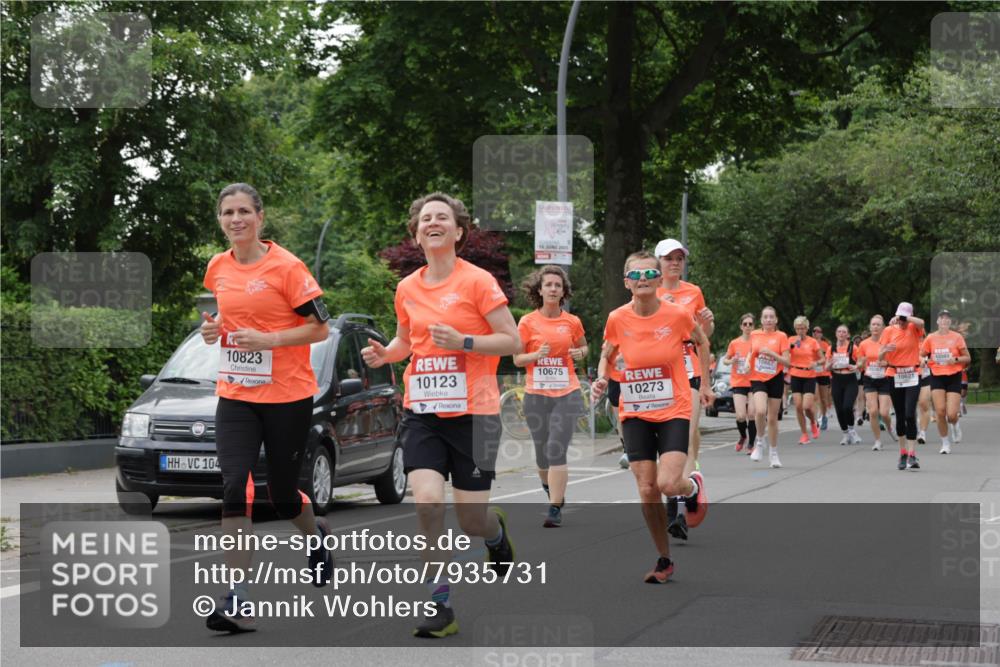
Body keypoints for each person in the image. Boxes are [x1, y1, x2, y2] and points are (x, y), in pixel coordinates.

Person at [361, 192, 520, 638]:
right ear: (416, 234)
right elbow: (405, 343)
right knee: (428, 503)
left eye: (442, 218)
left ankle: (494, 534)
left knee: (471, 520)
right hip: (423, 413)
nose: (433, 223)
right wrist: (384, 354)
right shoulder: (407, 288)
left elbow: (511, 341)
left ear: (458, 232)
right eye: (425, 218)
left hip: (475, 413)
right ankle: (440, 604)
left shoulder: (478, 282)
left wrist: (465, 342)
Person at [199, 183, 335, 633]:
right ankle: (237, 598)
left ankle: (315, 539)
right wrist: (213, 331)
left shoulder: (288, 267)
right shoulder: (217, 267)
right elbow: (225, 319)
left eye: (243, 212)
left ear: (260, 217)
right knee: (235, 486)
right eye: (227, 213)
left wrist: (272, 340)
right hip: (236, 393)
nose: (235, 219)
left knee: (281, 495)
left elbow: (320, 329)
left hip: (287, 395)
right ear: (220, 220)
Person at [591, 251, 713, 578]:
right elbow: (607, 353)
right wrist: (602, 377)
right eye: (636, 275)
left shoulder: (678, 315)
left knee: (669, 483)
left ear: (660, 280)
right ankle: (664, 558)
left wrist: (705, 384)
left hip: (673, 407)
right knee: (647, 489)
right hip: (635, 412)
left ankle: (692, 488)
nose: (642, 280)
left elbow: (702, 342)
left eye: (649, 275)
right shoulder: (617, 318)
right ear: (626, 282)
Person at [513, 265, 587, 527]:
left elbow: (583, 348)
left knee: (557, 448)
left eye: (558, 285)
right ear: (540, 290)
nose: (553, 289)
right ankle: (551, 489)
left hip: (567, 392)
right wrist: (536, 356)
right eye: (549, 285)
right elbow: (517, 359)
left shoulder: (572, 322)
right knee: (542, 453)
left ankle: (554, 508)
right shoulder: (527, 322)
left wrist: (581, 354)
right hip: (536, 395)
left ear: (563, 291)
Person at [653, 239, 715, 535]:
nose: (675, 263)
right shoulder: (650, 291)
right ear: (659, 263)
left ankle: (676, 508)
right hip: (657, 373)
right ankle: (683, 488)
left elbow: (704, 336)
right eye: (669, 258)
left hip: (687, 369)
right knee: (663, 443)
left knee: (685, 435)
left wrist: (706, 382)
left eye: (679, 258)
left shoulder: (693, 293)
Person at [878, 302, 926, 471]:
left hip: (912, 374)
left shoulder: (914, 327)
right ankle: (903, 452)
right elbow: (879, 358)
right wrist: (885, 350)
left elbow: (921, 323)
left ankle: (912, 454)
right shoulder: (889, 330)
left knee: (909, 414)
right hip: (895, 374)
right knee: (899, 415)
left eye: (905, 317)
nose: (902, 321)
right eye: (900, 317)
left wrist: (906, 317)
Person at [921, 309, 970, 454]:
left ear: (950, 322)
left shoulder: (957, 337)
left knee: (952, 414)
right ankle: (945, 443)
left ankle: (955, 425)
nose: (944, 320)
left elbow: (967, 358)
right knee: (940, 412)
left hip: (954, 376)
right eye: (942, 318)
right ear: (937, 321)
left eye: (947, 318)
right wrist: (924, 361)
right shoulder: (930, 338)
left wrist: (954, 359)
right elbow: (921, 355)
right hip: (936, 375)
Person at [748, 306, 792, 468]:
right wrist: (746, 363)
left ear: (776, 320)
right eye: (765, 317)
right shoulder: (754, 334)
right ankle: (759, 442)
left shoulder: (781, 336)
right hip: (758, 377)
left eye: (771, 317)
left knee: (772, 418)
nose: (768, 320)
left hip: (775, 378)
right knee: (759, 411)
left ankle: (773, 453)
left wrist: (772, 354)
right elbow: (750, 353)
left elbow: (787, 362)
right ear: (761, 320)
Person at [856, 315, 893, 451]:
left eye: (878, 324)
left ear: (883, 327)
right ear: (870, 327)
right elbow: (860, 363)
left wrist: (886, 363)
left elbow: (894, 361)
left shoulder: (887, 343)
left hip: (884, 379)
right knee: (873, 412)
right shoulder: (864, 344)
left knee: (883, 413)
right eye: (873, 324)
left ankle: (889, 427)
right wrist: (860, 363)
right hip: (869, 379)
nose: (876, 327)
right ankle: (877, 441)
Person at [723, 313, 757, 453]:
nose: (748, 326)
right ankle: (743, 436)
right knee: (741, 416)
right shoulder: (734, 343)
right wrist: (732, 361)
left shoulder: (757, 342)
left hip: (755, 381)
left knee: (752, 414)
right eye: (745, 324)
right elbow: (725, 360)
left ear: (754, 326)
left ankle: (751, 444)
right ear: (741, 326)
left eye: (750, 324)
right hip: (739, 381)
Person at [788, 316, 823, 445]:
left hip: (809, 375)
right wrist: (791, 346)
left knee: (807, 406)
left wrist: (815, 363)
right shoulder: (791, 340)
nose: (800, 331)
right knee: (798, 406)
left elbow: (822, 359)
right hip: (796, 374)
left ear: (807, 328)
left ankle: (813, 423)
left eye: (802, 328)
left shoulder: (813, 342)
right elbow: (785, 354)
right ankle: (804, 434)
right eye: (798, 328)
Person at [828, 324, 862, 445]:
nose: (841, 334)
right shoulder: (831, 347)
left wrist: (856, 366)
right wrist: (830, 364)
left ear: (848, 334)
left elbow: (861, 361)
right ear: (836, 333)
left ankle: (852, 430)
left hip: (850, 379)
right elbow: (826, 367)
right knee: (839, 409)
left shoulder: (853, 347)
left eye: (844, 332)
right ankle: (845, 433)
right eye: (839, 331)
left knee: (847, 406)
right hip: (836, 379)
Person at [813, 326, 833, 429]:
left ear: (821, 333)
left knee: (824, 399)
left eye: (819, 331)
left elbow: (829, 358)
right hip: (813, 374)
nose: (817, 333)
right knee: (816, 397)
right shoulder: (810, 343)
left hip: (824, 373)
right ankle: (816, 419)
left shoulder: (826, 345)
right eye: (815, 331)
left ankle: (824, 417)